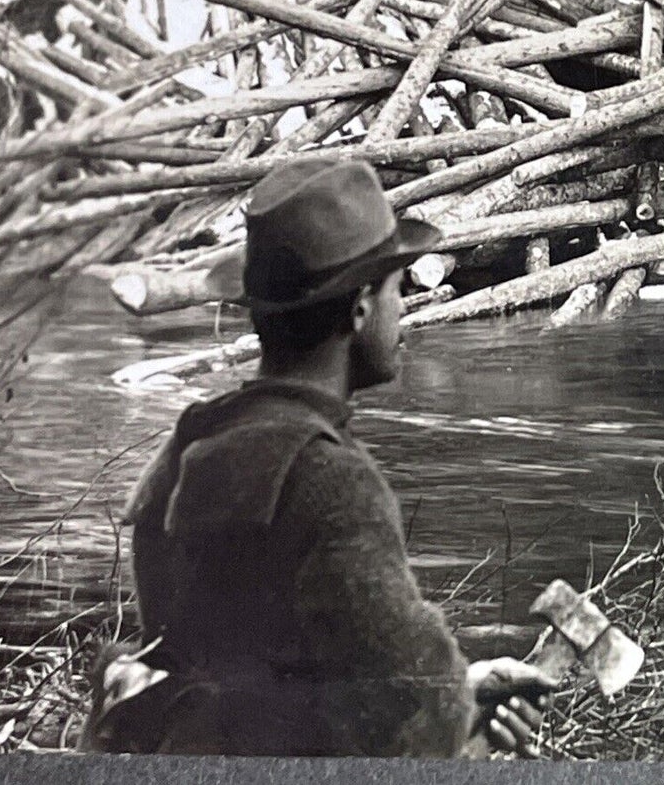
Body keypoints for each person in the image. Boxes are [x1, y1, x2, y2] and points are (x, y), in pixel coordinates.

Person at [82, 157, 558, 757]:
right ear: (359, 308)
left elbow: (233, 672)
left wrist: (460, 689)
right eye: (395, 291)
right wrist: (463, 724)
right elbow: (406, 708)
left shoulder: (188, 444)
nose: (403, 311)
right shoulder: (332, 481)